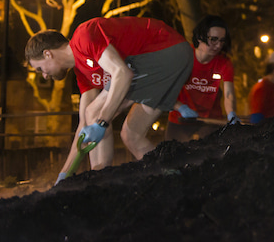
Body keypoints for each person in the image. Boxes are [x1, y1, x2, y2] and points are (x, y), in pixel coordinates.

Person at [25, 16, 193, 183]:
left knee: (94, 111)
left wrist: (102, 122)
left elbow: (122, 73)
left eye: (40, 69)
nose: (44, 75)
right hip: (172, 62)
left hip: (164, 50)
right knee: (131, 135)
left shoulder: (83, 36)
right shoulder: (83, 73)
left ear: (47, 54)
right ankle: (177, 180)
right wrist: (65, 174)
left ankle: (100, 179)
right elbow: (84, 126)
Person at [166, 15, 240, 141]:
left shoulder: (224, 62)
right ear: (200, 37)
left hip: (210, 121)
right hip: (180, 118)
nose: (218, 45)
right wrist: (180, 107)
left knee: (211, 152)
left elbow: (229, 94)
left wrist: (231, 113)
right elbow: (165, 88)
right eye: (213, 39)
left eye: (222, 41)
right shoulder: (182, 55)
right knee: (172, 152)